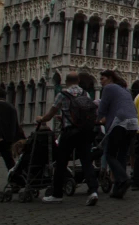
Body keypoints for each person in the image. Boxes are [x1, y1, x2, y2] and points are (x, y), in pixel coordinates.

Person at [38, 72, 100, 205]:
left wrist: (41, 119)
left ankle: (57, 194)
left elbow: (50, 114)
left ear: (66, 81)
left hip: (69, 132)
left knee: (61, 162)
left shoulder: (62, 94)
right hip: (84, 132)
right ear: (78, 81)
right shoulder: (86, 94)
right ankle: (94, 190)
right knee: (86, 161)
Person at [97, 70, 139, 199]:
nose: (101, 81)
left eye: (102, 79)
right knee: (121, 155)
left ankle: (123, 178)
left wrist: (97, 119)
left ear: (110, 78)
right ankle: (118, 188)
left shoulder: (109, 88)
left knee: (110, 154)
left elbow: (102, 108)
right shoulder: (125, 90)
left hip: (120, 123)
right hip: (133, 123)